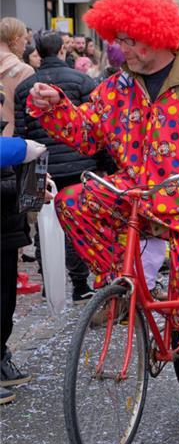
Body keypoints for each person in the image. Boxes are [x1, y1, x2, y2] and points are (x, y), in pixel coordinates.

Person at [25, 0, 179, 418]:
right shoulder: (117, 87)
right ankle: (121, 285)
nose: (119, 48)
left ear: (159, 36)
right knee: (72, 203)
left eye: (129, 40)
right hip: (135, 197)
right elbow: (88, 131)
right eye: (118, 39)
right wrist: (56, 107)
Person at [14, 30, 101, 302]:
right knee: (78, 221)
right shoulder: (82, 80)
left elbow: (20, 130)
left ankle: (48, 281)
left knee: (45, 223)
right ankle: (80, 283)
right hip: (80, 163)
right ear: (62, 50)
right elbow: (97, 125)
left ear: (38, 52)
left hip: (42, 164)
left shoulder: (26, 86)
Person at [0, 83, 48, 405]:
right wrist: (19, 150)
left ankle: (1, 358)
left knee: (5, 300)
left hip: (6, 226)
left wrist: (33, 182)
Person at [0, 17, 34, 136]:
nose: (26, 43)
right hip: (12, 139)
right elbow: (31, 113)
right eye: (25, 38)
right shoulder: (24, 71)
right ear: (15, 39)